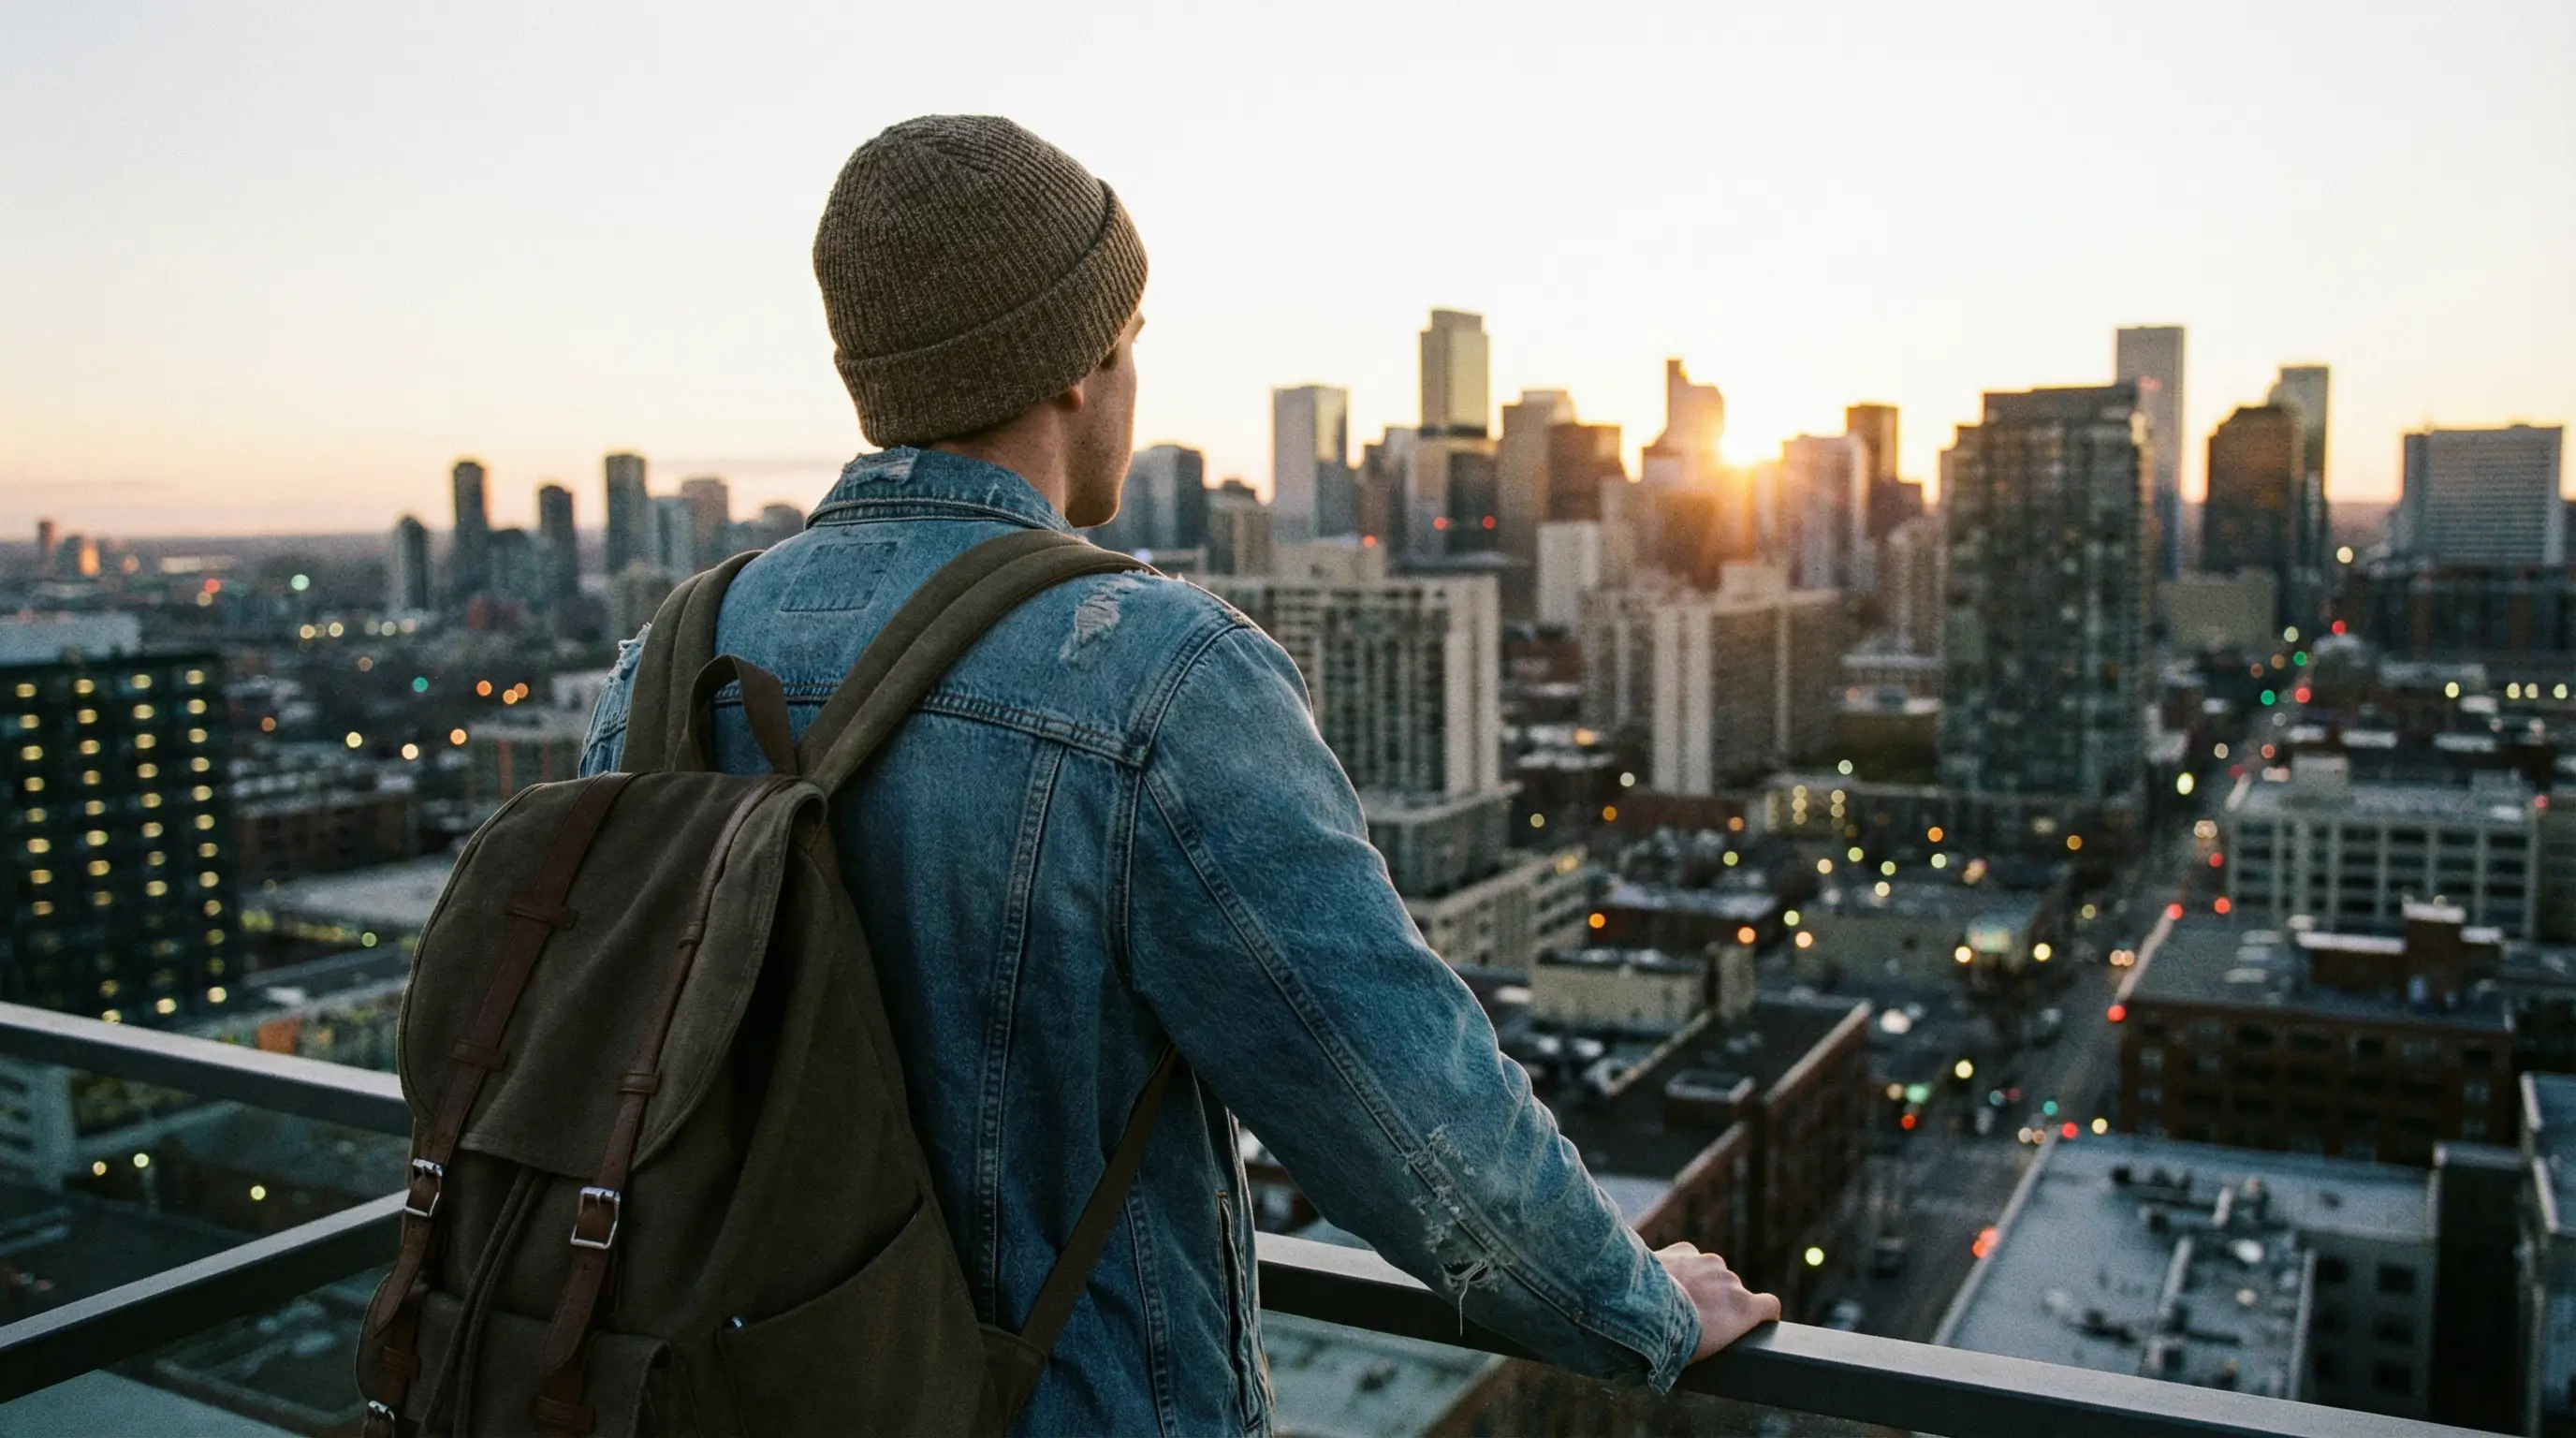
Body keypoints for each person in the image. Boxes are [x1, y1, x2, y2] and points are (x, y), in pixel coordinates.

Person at [578, 113, 1778, 1434]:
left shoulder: (670, 655)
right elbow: (1402, 1104)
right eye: (1131, 336)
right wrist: (1640, 1308)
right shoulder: (1154, 672)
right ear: (1077, 369)